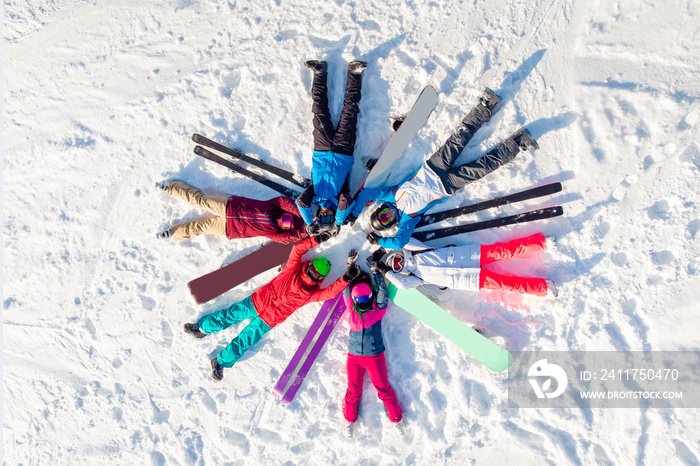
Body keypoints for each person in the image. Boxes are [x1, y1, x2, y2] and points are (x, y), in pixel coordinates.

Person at [346, 88, 539, 250]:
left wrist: (354, 214)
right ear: (391, 224)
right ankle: (518, 143)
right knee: (484, 166)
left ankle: (485, 106)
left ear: (381, 208)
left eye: (381, 215)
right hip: (447, 186)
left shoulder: (387, 195)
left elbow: (364, 195)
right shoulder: (407, 221)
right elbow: (399, 242)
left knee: (460, 138)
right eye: (385, 221)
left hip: (433, 167)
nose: (386, 216)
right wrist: (379, 241)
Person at [183, 234, 360, 381]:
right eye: (312, 269)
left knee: (244, 341)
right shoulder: (292, 269)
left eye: (316, 274)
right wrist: (316, 239)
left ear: (319, 278)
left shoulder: (311, 293)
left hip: (269, 320)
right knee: (228, 315)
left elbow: (329, 293)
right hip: (257, 301)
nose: (311, 274)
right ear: (309, 265)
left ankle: (221, 362)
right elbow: (297, 250)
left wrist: (346, 278)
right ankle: (201, 328)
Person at [295, 59, 368, 235]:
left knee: (319, 110)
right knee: (350, 112)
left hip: (322, 149)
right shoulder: (340, 199)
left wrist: (309, 222)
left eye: (321, 217)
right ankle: (354, 73)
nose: (324, 214)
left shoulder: (313, 195)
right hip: (343, 152)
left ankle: (319, 73)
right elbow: (345, 204)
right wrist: (338, 221)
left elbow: (301, 203)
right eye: (329, 218)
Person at [370, 233, 558, 298]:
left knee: (505, 250)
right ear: (398, 270)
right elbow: (402, 286)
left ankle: (542, 243)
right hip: (468, 280)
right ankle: (542, 288)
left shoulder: (416, 249)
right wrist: (385, 271)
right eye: (396, 266)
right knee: (507, 284)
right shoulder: (415, 278)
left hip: (470, 256)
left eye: (397, 258)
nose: (400, 262)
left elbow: (402, 240)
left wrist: (383, 247)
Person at [340, 258, 403, 437]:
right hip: (354, 358)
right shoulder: (352, 309)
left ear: (370, 297)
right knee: (353, 391)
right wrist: (350, 268)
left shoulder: (377, 310)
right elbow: (346, 291)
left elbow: (383, 294)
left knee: (383, 388)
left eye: (365, 298)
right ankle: (349, 421)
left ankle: (396, 419)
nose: (362, 301)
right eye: (358, 299)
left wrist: (376, 272)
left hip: (374, 356)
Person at [155, 180, 308, 243]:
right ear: (287, 214)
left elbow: (287, 239)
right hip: (229, 207)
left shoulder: (273, 232)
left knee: (199, 227)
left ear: (287, 228)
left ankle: (173, 233)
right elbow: (285, 202)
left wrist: (306, 232)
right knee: (199, 200)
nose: (283, 221)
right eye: (287, 218)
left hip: (229, 228)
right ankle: (171, 187)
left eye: (287, 224)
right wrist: (302, 214)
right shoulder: (274, 206)